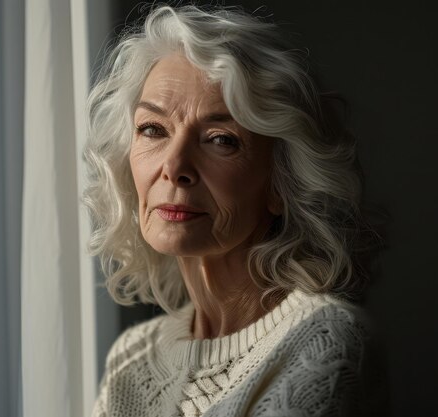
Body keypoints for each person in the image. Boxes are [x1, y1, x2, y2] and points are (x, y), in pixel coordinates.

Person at [84, 4, 379, 417]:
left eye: (221, 139)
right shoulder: (131, 358)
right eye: (153, 129)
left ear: (280, 182)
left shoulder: (326, 341)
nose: (174, 167)